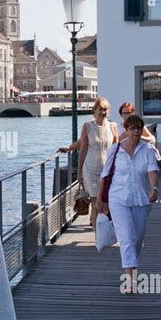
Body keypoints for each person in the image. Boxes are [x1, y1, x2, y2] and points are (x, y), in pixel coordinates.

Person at [96, 114, 159, 294]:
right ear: (126, 129)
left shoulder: (147, 149)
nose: (136, 132)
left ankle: (132, 268)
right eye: (132, 128)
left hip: (141, 199)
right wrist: (100, 200)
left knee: (138, 238)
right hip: (118, 199)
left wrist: (154, 188)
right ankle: (130, 279)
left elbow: (153, 171)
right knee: (126, 237)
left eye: (139, 128)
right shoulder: (115, 150)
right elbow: (105, 176)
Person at [58, 96, 118, 231]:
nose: (103, 112)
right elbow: (83, 149)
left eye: (105, 109)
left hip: (107, 170)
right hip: (91, 169)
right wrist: (79, 172)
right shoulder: (88, 126)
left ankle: (104, 228)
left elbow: (117, 149)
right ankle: (98, 235)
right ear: (94, 110)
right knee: (96, 201)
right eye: (100, 109)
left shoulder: (113, 126)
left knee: (106, 201)